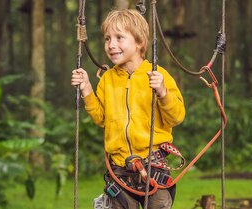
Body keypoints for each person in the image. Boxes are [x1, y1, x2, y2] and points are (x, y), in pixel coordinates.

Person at [71, 9, 185, 209]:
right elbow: (102, 119)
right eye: (107, 39)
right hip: (120, 169)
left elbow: (176, 117)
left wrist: (163, 92)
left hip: (153, 167)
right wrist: (87, 89)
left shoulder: (158, 75)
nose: (111, 45)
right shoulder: (107, 80)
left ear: (139, 42)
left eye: (119, 38)